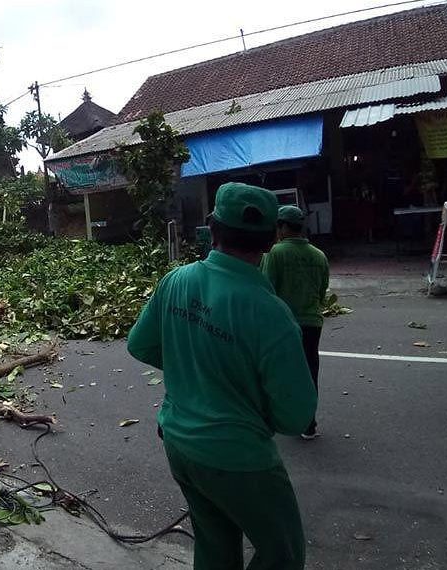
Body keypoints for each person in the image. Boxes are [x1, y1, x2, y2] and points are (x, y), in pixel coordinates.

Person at [127, 183, 317, 570]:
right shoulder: (272, 314)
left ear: (211, 229)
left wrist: (194, 369)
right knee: (283, 551)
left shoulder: (176, 281)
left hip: (179, 444)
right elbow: (296, 417)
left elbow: (140, 345)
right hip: (239, 458)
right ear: (269, 242)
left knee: (215, 544)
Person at [261, 205, 330, 440]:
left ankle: (280, 418)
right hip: (313, 322)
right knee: (310, 371)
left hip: (284, 324)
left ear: (282, 227)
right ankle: (309, 424)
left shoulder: (275, 254)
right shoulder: (319, 255)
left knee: (281, 373)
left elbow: (267, 290)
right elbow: (322, 291)